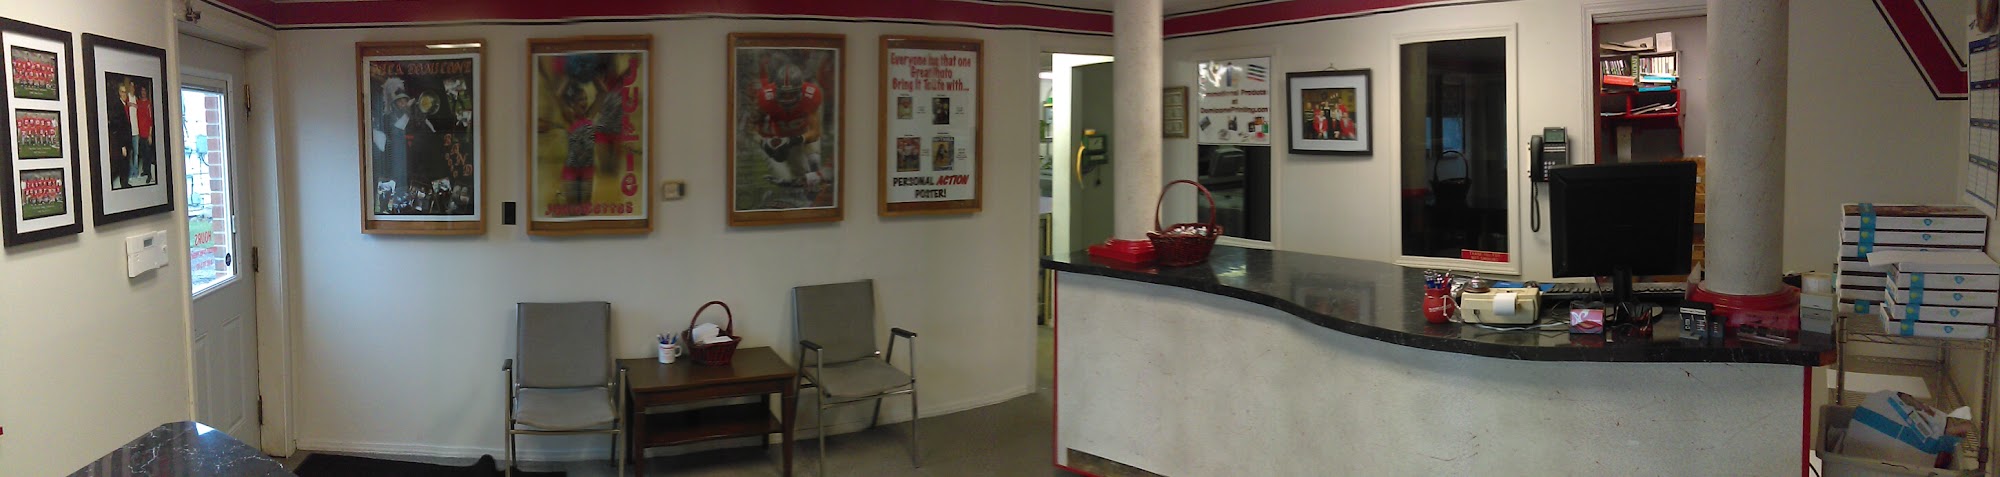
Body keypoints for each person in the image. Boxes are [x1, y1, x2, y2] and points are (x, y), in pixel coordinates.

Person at [750, 58, 827, 201]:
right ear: (776, 90)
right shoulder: (765, 98)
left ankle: (814, 185)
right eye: (783, 94)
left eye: (791, 93)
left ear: (800, 90)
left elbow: (815, 133)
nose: (787, 98)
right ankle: (803, 197)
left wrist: (794, 140)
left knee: (813, 159)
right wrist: (764, 142)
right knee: (797, 171)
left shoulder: (811, 96)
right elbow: (753, 127)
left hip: (803, 130)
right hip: (781, 133)